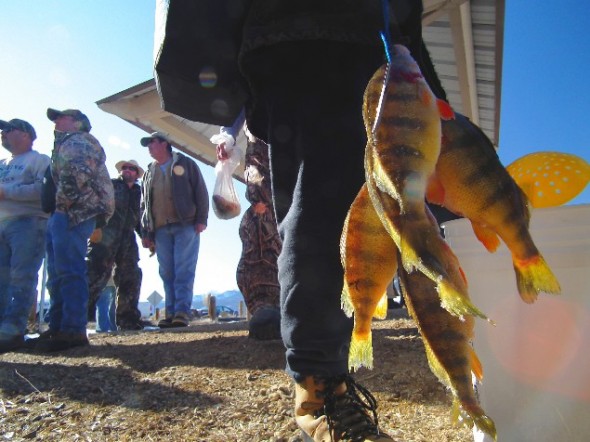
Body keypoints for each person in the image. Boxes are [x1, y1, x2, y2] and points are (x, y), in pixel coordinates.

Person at [158, 1, 449, 439]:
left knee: (362, 201)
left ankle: (321, 375)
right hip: (304, 30)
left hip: (365, 40)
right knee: (323, 203)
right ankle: (317, 387)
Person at [35, 108, 114, 352]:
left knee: (68, 270)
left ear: (78, 123)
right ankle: (58, 327)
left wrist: (64, 207)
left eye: (62, 117)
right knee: (59, 273)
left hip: (73, 211)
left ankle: (72, 329)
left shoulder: (79, 141)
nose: (57, 121)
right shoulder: (67, 143)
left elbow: (77, 174)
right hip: (65, 211)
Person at [214, 116, 282, 341]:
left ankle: (312, 304)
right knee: (261, 216)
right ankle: (265, 304)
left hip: (306, 140)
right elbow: (237, 100)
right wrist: (227, 137)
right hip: (263, 145)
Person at [139, 132, 209, 328]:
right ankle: (170, 313)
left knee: (183, 270)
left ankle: (182, 312)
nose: (149, 147)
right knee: (167, 272)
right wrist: (146, 232)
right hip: (160, 229)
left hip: (186, 224)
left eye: (152, 142)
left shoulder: (185, 163)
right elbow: (144, 205)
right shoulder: (148, 173)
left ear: (165, 144)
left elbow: (200, 190)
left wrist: (201, 219)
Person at [0, 118, 50, 353]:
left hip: (28, 223)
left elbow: (45, 191)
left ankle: (13, 330)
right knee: (1, 279)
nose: (3, 134)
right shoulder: (2, 162)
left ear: (26, 135)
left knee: (21, 277)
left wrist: (6, 192)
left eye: (8, 130)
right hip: (2, 223)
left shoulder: (39, 160)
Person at [86, 159, 144, 331]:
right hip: (105, 235)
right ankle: (76, 319)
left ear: (136, 173)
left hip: (127, 238)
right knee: (93, 273)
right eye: (124, 168)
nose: (127, 170)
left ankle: (128, 320)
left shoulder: (140, 192)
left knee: (131, 276)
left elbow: (140, 217)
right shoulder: (109, 185)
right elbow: (93, 204)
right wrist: (94, 226)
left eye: (131, 168)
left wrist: (146, 237)